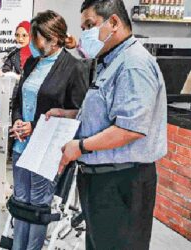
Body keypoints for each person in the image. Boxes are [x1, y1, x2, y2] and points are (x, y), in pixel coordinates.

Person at [46, 0, 167, 249]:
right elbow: (104, 113)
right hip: (101, 180)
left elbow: (130, 128)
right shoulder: (111, 60)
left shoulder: (133, 64)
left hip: (122, 182)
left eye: (90, 25)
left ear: (113, 22)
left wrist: (79, 146)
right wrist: (68, 114)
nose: (85, 34)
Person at [9, 10, 88, 250]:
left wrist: (36, 126)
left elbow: (78, 112)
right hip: (21, 144)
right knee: (20, 202)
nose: (31, 42)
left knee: (38, 206)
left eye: (35, 37)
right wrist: (18, 121)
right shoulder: (32, 62)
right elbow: (19, 99)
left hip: (47, 150)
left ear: (53, 39)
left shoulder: (73, 68)